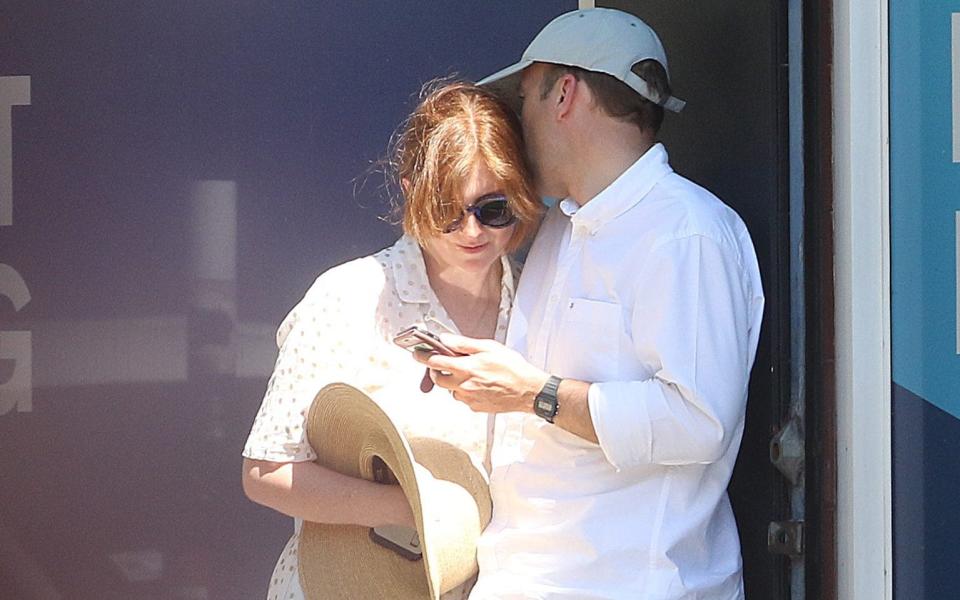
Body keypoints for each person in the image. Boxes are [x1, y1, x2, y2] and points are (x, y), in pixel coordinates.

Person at [416, 9, 765, 599]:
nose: (517, 123)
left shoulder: (688, 231)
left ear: (564, 94)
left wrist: (535, 393)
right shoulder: (556, 228)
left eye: (524, 97)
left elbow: (699, 422)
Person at [240, 80, 542, 600]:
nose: (471, 231)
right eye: (449, 208)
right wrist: (417, 509)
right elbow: (266, 470)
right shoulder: (350, 296)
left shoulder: (542, 298)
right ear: (410, 190)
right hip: (348, 584)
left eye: (493, 209)